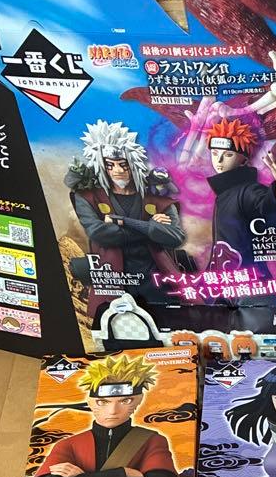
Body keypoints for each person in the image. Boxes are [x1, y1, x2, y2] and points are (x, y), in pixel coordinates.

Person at [30, 354, 179, 477]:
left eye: (125, 400)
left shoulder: (151, 440)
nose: (113, 410)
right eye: (103, 402)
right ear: (91, 402)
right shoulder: (69, 445)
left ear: (138, 401)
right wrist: (121, 475)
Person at [65, 120, 187, 327]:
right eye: (110, 165)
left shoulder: (157, 195)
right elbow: (99, 233)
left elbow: (176, 237)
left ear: (134, 164)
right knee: (111, 332)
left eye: (123, 164)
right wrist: (151, 228)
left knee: (170, 333)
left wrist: (123, 222)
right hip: (113, 281)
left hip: (157, 281)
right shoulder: (88, 197)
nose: (117, 170)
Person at [205, 117, 276, 282]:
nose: (219, 160)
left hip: (248, 282)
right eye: (215, 153)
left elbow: (271, 210)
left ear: (244, 159)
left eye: (228, 154)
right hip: (227, 281)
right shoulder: (226, 193)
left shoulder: (247, 191)